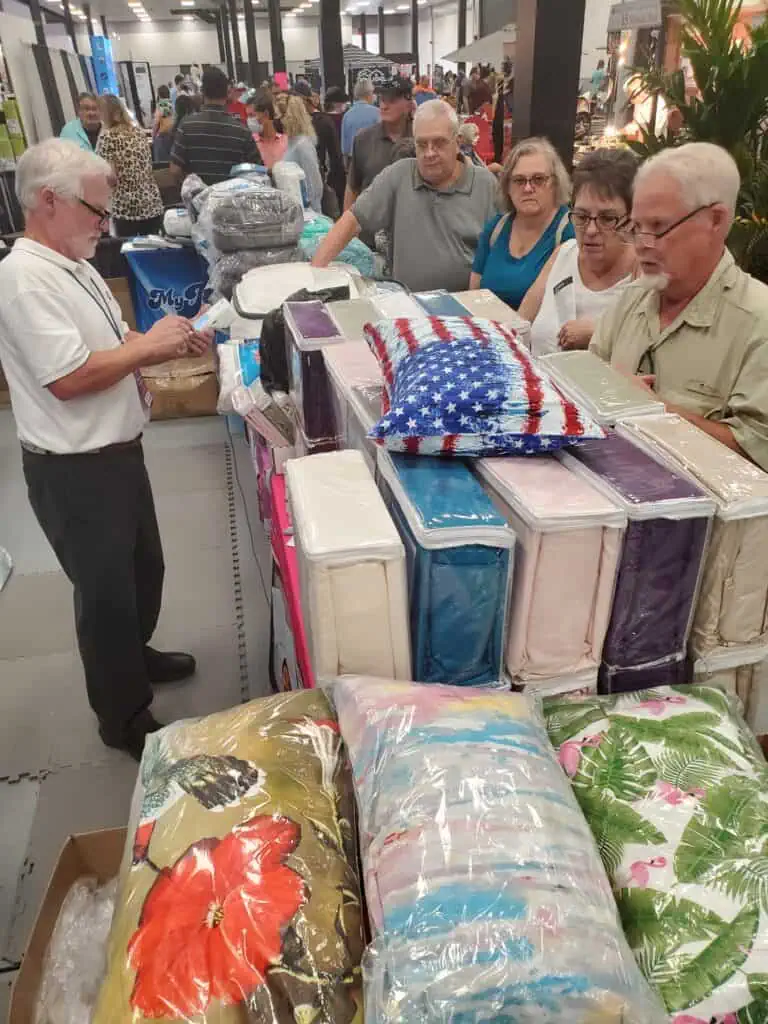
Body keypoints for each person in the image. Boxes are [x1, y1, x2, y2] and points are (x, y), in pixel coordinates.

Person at [0, 139, 213, 760]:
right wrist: (146, 351)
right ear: (48, 202)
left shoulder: (77, 261)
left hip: (119, 452)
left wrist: (159, 341)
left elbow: (113, 334)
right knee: (104, 595)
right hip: (74, 469)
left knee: (144, 569)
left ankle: (136, 654)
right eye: (96, 210)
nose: (105, 223)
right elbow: (67, 380)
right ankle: (121, 716)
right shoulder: (22, 281)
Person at [591, 141, 768, 471]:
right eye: (635, 227)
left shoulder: (758, 322)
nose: (642, 245)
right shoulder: (633, 297)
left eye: (658, 227)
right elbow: (588, 379)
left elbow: (755, 452)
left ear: (715, 220)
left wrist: (651, 411)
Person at [312, 99, 497, 292]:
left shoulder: (485, 184)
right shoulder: (399, 175)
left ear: (458, 142)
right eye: (422, 144)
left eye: (439, 143)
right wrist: (314, 275)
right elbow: (351, 221)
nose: (429, 153)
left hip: (467, 309)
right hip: (410, 308)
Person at [521, 148, 638, 356]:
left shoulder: (643, 276)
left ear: (632, 220)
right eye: (582, 217)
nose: (591, 230)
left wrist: (600, 334)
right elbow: (520, 323)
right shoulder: (564, 253)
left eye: (607, 218)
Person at [470, 137, 575, 309]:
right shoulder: (495, 229)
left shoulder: (569, 233)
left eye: (538, 179)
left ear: (555, 183)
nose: (527, 188)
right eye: (519, 180)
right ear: (507, 187)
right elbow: (473, 295)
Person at [169, 67, 260, 185]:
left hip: (198, 200)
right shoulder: (241, 130)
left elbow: (175, 170)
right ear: (227, 93)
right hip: (232, 199)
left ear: (202, 92)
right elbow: (257, 171)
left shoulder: (187, 126)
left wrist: (191, 186)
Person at [97, 94, 164, 238]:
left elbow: (110, 177)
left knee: (129, 254)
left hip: (127, 209)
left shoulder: (107, 137)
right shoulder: (138, 132)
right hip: (152, 204)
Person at [345, 75, 414, 213]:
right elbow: (353, 187)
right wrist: (347, 231)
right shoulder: (363, 139)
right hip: (370, 227)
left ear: (408, 105)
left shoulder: (422, 138)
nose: (384, 106)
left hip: (410, 224)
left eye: (392, 100)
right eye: (382, 99)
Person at [294, 80, 345, 214]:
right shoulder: (323, 121)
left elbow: (335, 157)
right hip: (316, 179)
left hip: (310, 181)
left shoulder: (317, 122)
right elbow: (336, 156)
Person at [275, 93, 324, 213]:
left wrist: (315, 214)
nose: (278, 121)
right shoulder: (291, 142)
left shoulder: (303, 145)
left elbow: (314, 185)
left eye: (280, 117)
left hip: (306, 212)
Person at [341, 78, 380, 162]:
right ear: (369, 93)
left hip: (354, 159)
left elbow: (345, 147)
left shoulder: (347, 115)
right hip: (373, 158)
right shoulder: (377, 113)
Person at [246, 89, 287, 169]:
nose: (249, 120)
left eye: (252, 115)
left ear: (266, 114)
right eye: (247, 116)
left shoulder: (286, 142)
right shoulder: (250, 144)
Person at [152, 84, 174, 163]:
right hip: (170, 135)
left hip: (162, 136)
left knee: (161, 163)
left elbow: (156, 122)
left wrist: (153, 135)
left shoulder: (162, 104)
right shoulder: (171, 104)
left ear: (159, 94)